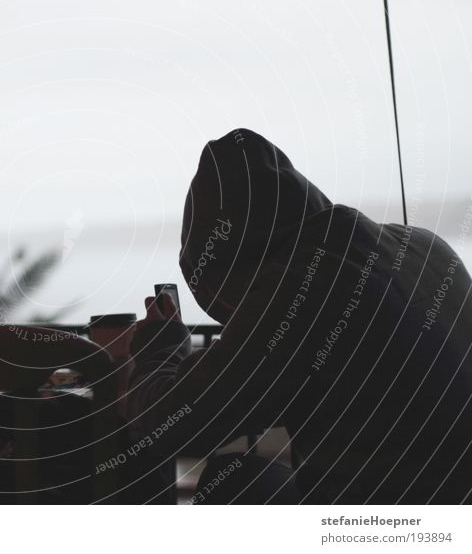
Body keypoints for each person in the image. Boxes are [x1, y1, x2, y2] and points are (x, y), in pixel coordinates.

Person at [127, 128, 472, 504]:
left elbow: (173, 425)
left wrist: (160, 348)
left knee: (228, 482)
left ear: (234, 267)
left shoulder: (302, 284)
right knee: (243, 477)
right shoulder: (424, 246)